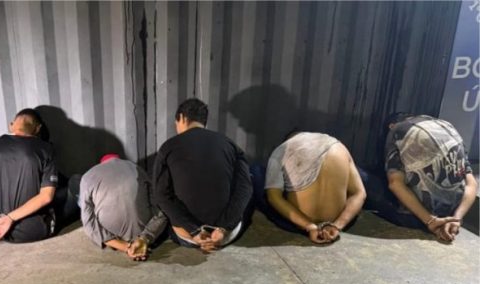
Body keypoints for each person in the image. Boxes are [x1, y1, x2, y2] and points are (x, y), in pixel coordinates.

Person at [152, 98, 253, 252]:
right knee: (248, 189)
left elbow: (161, 195)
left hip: (189, 237)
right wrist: (223, 228)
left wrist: (195, 231)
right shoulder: (230, 145)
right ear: (204, 122)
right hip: (225, 236)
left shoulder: (168, 147)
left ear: (182, 118)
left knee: (165, 205)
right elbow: (245, 189)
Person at [0, 108, 77, 243]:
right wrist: (10, 218)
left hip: (0, 230)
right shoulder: (46, 149)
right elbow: (46, 197)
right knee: (77, 181)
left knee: (58, 180)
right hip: (36, 230)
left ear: (11, 126)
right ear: (38, 128)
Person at [364, 114, 477, 242]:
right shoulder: (448, 127)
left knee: (359, 173)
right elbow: (471, 183)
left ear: (391, 125)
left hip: (415, 217)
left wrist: (430, 220)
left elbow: (395, 184)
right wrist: (456, 219)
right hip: (450, 215)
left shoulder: (398, 129)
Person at [255, 132, 367, 244]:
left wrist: (310, 226)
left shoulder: (282, 149)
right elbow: (360, 193)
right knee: (358, 174)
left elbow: (273, 198)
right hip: (334, 222)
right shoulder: (339, 147)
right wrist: (337, 226)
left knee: (257, 171)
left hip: (297, 225)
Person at [79, 154, 167, 261]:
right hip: (143, 228)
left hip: (111, 231)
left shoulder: (88, 176)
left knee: (77, 189)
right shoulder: (137, 168)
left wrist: (126, 247)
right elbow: (160, 208)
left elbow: (89, 222)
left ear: (101, 164)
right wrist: (144, 238)